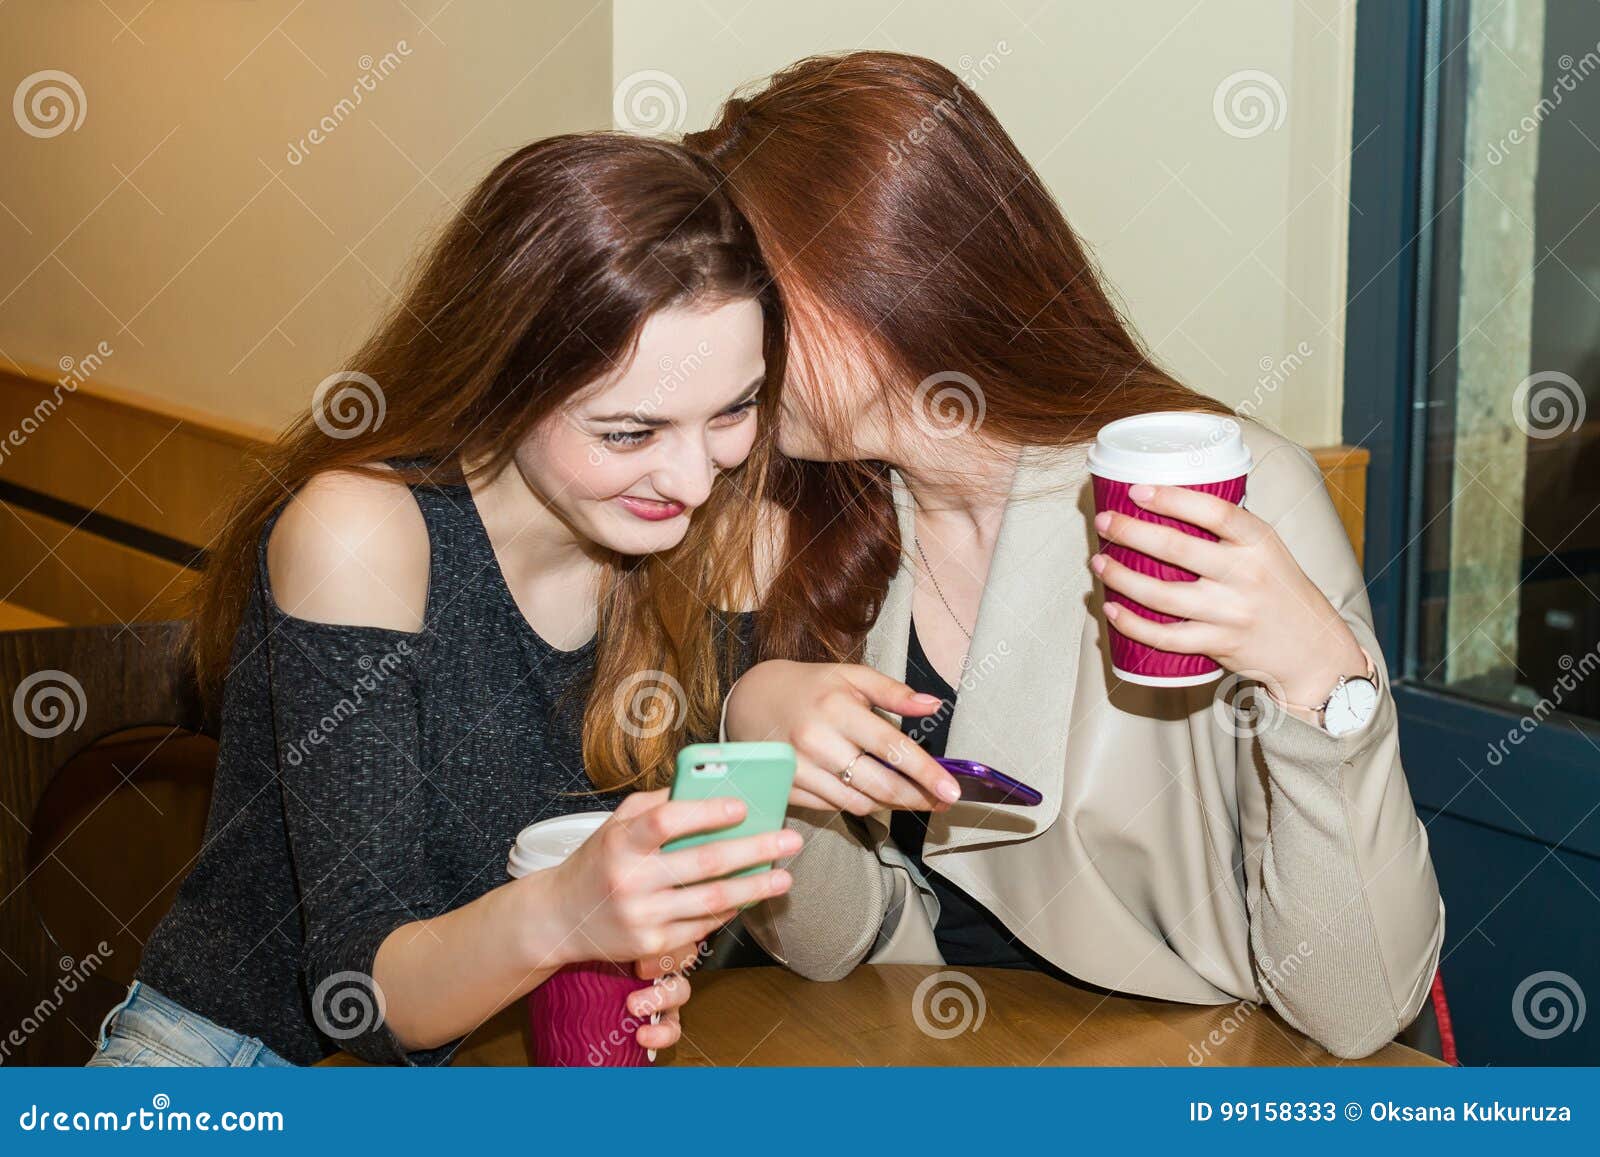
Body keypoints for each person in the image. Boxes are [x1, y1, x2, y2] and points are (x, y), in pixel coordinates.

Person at [687, 51, 1445, 1059]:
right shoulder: (812, 506)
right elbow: (837, 947)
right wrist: (756, 737)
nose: (722, 340)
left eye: (757, 295)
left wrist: (1323, 684)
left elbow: (1354, 1010)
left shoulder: (1218, 498)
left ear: (885, 279)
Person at [87, 133, 796, 1067]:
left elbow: (725, 893)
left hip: (518, 1045)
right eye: (629, 430)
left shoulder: (733, 538)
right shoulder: (365, 533)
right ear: (502, 371)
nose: (696, 477)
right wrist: (569, 910)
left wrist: (771, 710)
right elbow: (360, 1001)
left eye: (734, 412)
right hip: (237, 1058)